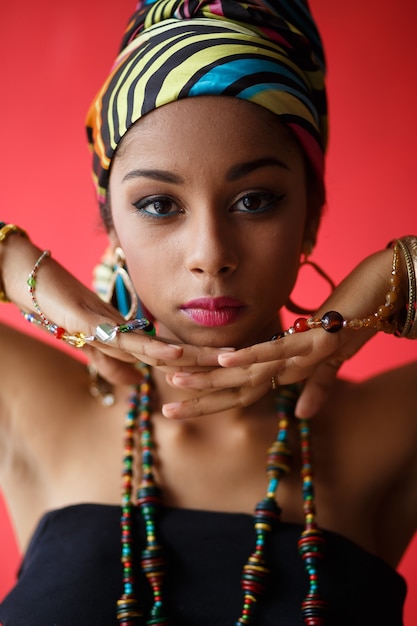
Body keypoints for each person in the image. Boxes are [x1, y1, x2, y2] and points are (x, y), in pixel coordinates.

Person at [0, 0, 416, 624]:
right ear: (111, 221)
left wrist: (397, 276)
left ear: (311, 214)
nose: (210, 256)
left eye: (254, 199)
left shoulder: (391, 427)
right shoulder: (33, 403)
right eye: (159, 205)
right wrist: (22, 267)